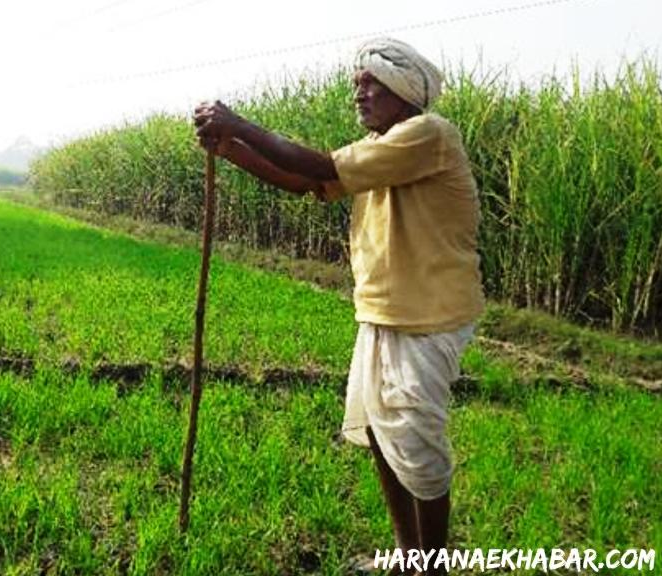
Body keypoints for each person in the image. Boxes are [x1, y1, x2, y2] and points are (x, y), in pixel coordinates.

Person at [194, 38, 484, 575]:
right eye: (358, 84)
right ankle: (408, 556)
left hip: (429, 314)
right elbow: (309, 182)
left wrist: (240, 125)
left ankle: (432, 565)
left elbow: (320, 163)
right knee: (379, 430)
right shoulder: (380, 149)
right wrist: (232, 149)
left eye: (372, 84)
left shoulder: (428, 135)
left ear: (404, 90)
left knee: (415, 441)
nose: (360, 93)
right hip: (382, 310)